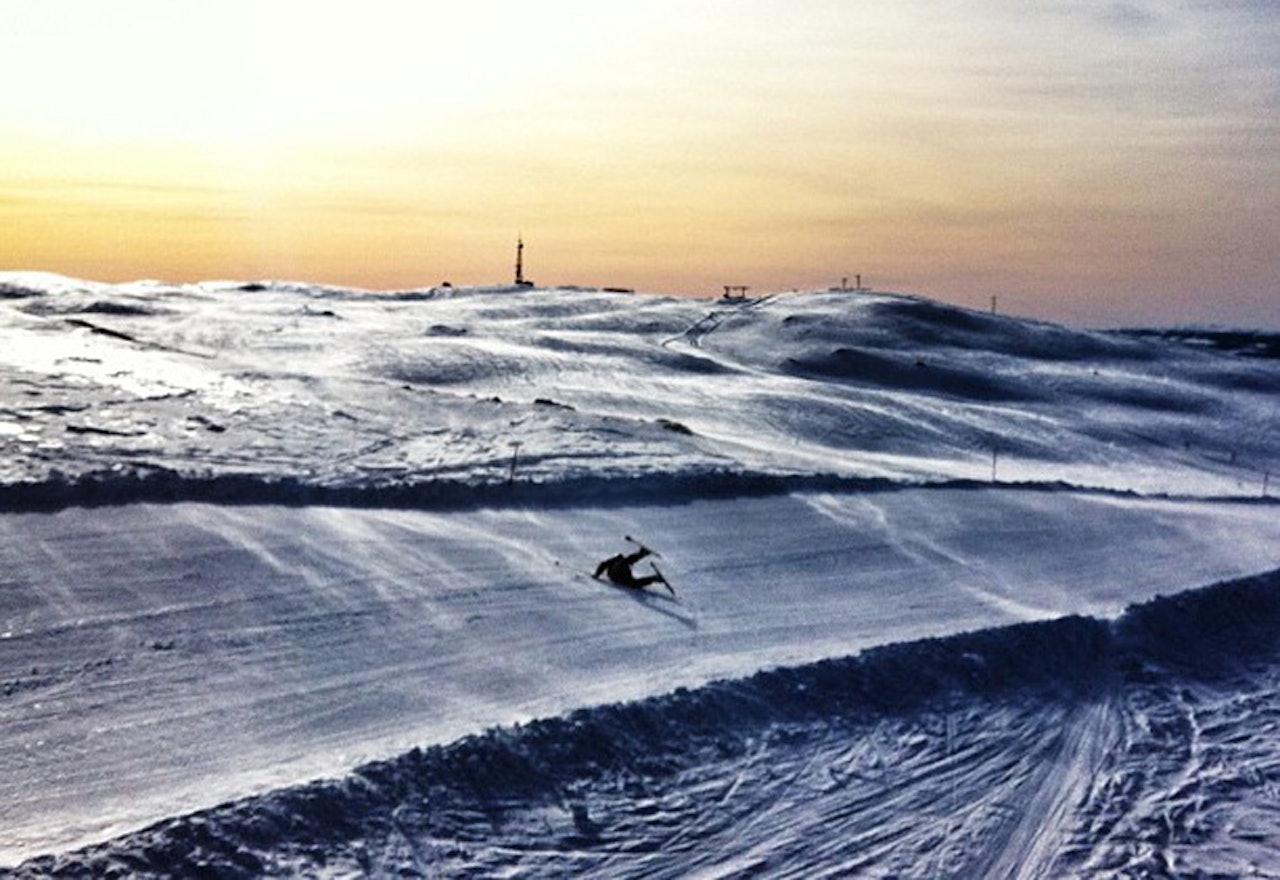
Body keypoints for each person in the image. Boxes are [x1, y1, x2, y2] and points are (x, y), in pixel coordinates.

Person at [594, 541, 672, 594]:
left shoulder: (618, 564)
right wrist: (597, 574)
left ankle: (642, 554)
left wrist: (597, 574)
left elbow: (604, 564)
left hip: (616, 573)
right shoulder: (621, 570)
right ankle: (642, 555)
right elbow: (604, 564)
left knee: (624, 564)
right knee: (626, 569)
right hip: (617, 575)